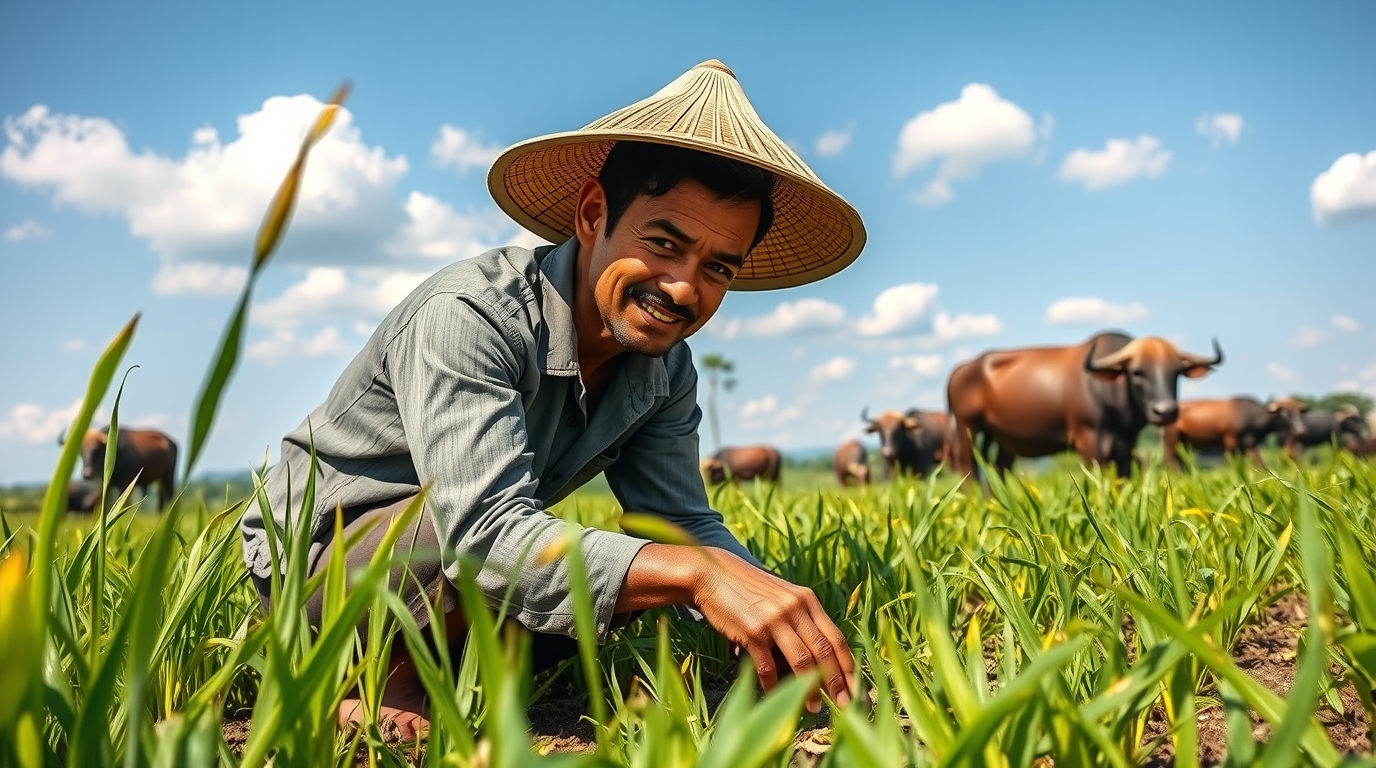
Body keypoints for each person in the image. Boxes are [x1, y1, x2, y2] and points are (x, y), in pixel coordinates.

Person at [240, 59, 867, 738]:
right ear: (594, 214)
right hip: (327, 565)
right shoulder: (472, 314)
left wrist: (770, 614)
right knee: (515, 544)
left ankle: (463, 661)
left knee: (623, 582)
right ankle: (378, 677)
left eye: (717, 267)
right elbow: (481, 533)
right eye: (663, 244)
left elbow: (680, 521)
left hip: (457, 562)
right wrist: (696, 577)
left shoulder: (665, 371)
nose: (684, 289)